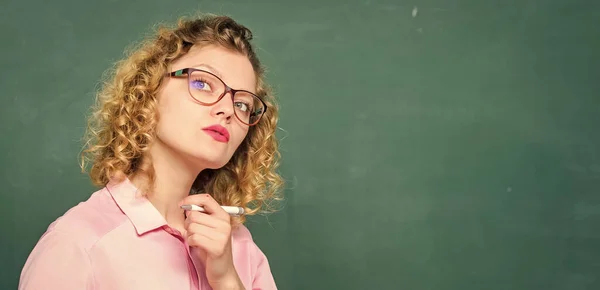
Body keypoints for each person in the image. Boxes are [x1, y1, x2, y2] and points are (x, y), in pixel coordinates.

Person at [18, 13, 283, 290]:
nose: (228, 110)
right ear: (150, 89)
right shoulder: (78, 244)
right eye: (203, 83)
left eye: (242, 104)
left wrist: (227, 280)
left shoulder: (239, 247)